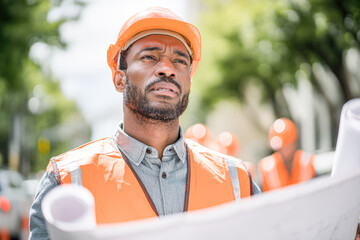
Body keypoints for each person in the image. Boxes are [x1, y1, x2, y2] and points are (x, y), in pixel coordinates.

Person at [29, 7, 260, 239]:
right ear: (120, 79)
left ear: (189, 82)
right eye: (149, 57)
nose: (168, 70)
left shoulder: (237, 180)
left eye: (180, 60)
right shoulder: (68, 180)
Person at [257, 118, 315, 191]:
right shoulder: (266, 167)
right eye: (280, 148)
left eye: (286, 147)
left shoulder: (308, 161)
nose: (282, 151)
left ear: (294, 143)